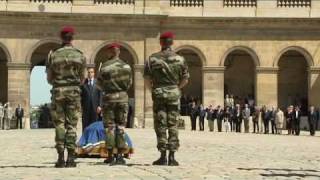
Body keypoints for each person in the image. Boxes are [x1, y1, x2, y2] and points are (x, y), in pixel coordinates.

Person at [144, 31, 189, 166]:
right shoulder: (180, 59)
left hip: (159, 92)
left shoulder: (152, 59)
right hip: (173, 92)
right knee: (173, 123)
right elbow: (185, 79)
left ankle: (162, 156)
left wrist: (153, 89)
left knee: (160, 123)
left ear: (161, 43)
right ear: (172, 42)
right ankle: (172, 157)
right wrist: (176, 88)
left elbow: (146, 78)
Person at [46, 26, 86, 168]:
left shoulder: (53, 55)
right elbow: (83, 78)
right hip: (74, 93)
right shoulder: (79, 54)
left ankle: (60, 157)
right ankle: (71, 157)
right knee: (72, 125)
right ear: (72, 37)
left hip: (58, 92)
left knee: (60, 124)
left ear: (61, 37)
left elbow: (49, 78)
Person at [96, 43, 132, 166]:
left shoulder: (104, 66)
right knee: (121, 127)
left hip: (109, 98)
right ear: (119, 52)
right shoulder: (126, 66)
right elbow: (129, 84)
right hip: (122, 98)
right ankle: (121, 156)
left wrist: (108, 89)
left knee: (110, 127)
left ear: (111, 52)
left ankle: (110, 155)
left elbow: (99, 84)